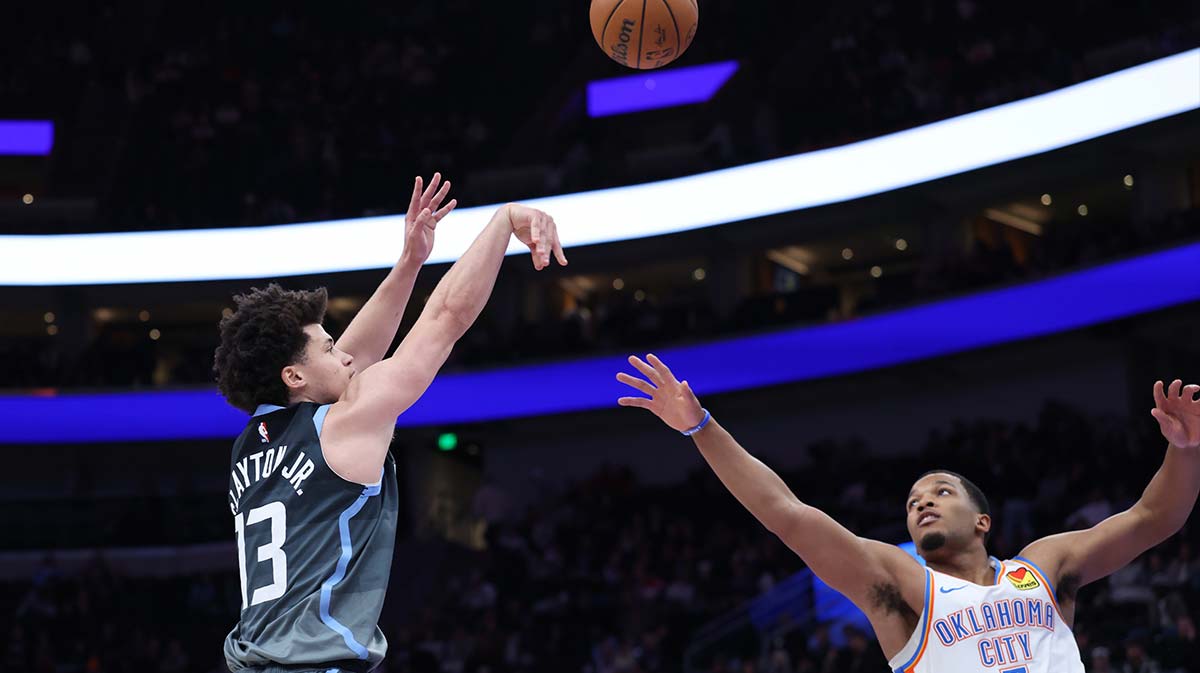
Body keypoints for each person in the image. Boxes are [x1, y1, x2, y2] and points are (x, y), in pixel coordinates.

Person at [616, 354, 1200, 672]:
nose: (922, 501)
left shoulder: (1041, 569)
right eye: (913, 501)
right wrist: (700, 426)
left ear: (982, 520)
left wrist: (1184, 449)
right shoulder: (901, 587)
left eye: (941, 491)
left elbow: (1154, 517)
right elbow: (786, 513)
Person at [214, 173, 566, 673]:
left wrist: (410, 262)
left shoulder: (251, 443)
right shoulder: (343, 425)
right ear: (293, 374)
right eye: (329, 348)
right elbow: (444, 318)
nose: (347, 356)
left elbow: (353, 356)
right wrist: (504, 222)